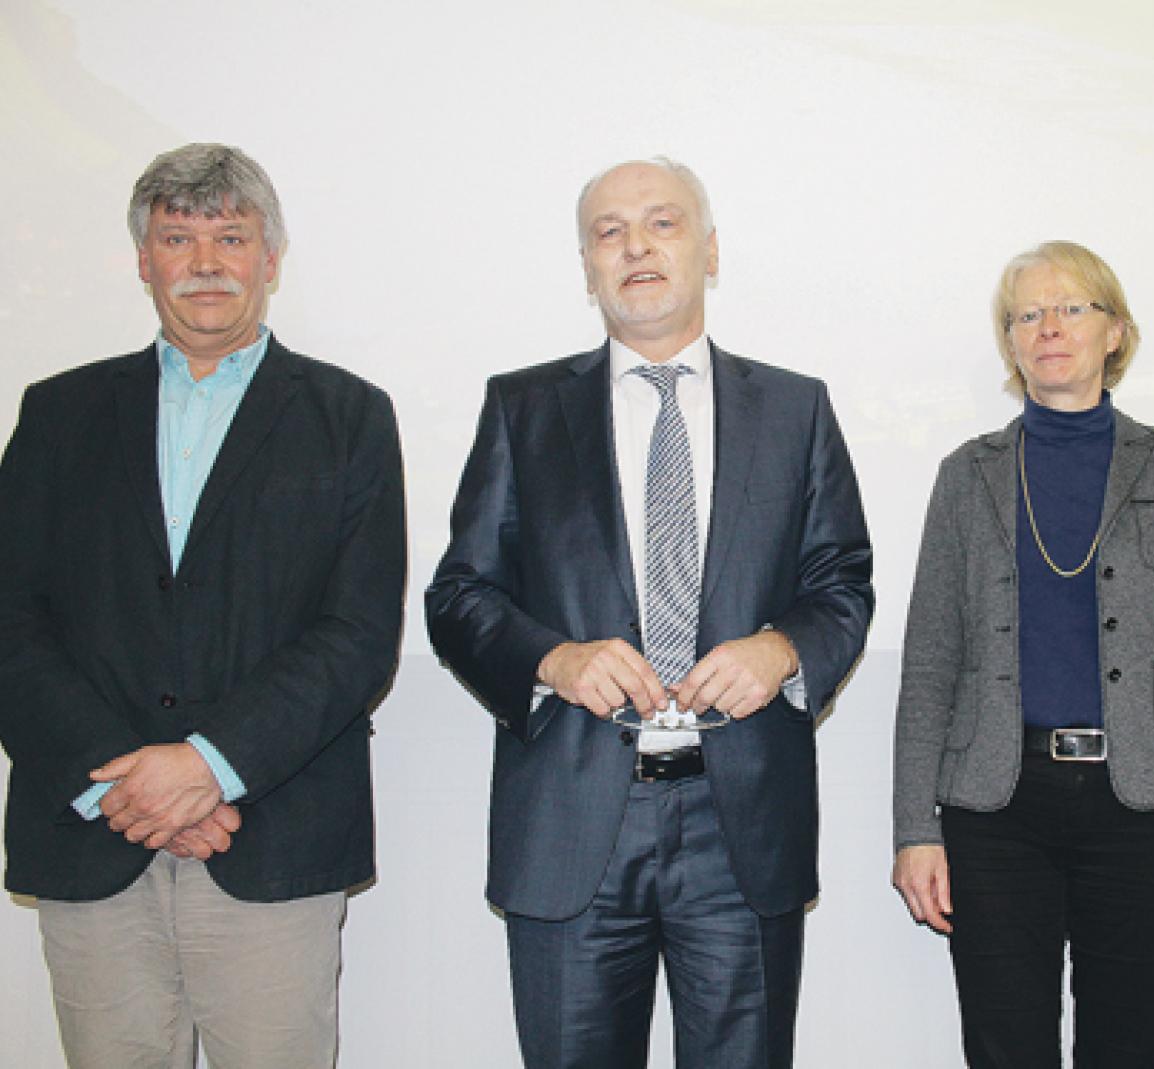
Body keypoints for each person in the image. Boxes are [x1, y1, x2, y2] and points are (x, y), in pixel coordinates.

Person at [426, 156, 873, 1069]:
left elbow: (842, 582)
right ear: (587, 267)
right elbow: (459, 593)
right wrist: (553, 661)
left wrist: (782, 650)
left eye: (662, 223)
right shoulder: (522, 408)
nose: (635, 246)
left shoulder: (795, 408)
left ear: (710, 251)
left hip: (739, 818)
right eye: (609, 231)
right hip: (572, 820)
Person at [0, 143, 405, 1069]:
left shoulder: (349, 416)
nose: (207, 261)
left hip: (273, 836)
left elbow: (356, 635)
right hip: (93, 838)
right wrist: (129, 789)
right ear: (143, 260)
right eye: (179, 237)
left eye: (231, 235)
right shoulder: (57, 414)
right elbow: (10, 622)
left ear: (271, 256)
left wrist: (208, 768)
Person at [892, 240, 1154, 1068]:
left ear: (1115, 331)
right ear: (1011, 342)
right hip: (996, 811)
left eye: (1071, 308)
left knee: (1127, 1046)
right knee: (1004, 1045)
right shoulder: (966, 475)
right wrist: (915, 827)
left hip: (1143, 809)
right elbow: (930, 663)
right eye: (1027, 314)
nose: (1048, 326)